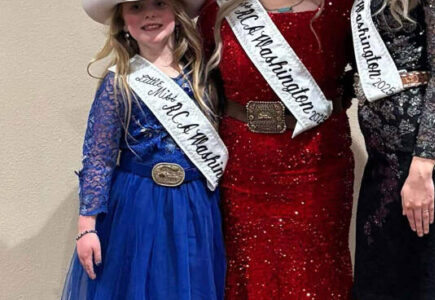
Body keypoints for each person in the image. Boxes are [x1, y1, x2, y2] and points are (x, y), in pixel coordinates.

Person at [61, 0, 228, 299]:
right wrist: (86, 227)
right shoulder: (118, 82)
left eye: (159, 3)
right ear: (123, 23)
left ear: (176, 13)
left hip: (195, 203)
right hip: (139, 203)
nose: (149, 13)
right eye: (136, 7)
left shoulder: (203, 76)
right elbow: (99, 158)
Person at [198, 0, 355, 298]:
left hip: (319, 166)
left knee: (316, 270)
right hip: (244, 168)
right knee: (248, 267)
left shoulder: (340, 8)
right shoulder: (216, 11)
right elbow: (206, 85)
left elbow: (365, 76)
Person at [352, 0, 435, 299]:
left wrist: (422, 166)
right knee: (379, 278)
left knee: (426, 279)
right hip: (382, 157)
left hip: (425, 157)